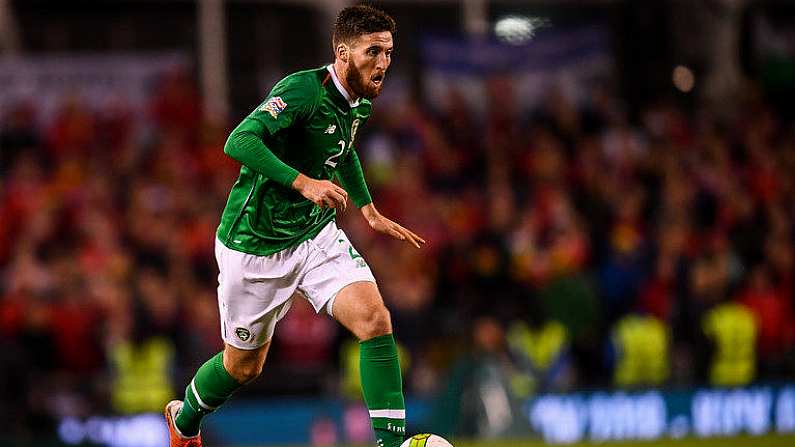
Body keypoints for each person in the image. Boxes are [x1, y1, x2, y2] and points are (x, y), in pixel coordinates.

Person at [163, 5, 424, 447]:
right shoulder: (303, 90)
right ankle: (184, 418)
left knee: (375, 320)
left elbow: (342, 149)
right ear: (342, 52)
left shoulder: (358, 98)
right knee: (243, 367)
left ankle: (392, 443)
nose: (383, 63)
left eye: (389, 52)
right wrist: (302, 182)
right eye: (373, 51)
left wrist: (368, 208)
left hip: (315, 235)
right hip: (254, 244)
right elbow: (238, 140)